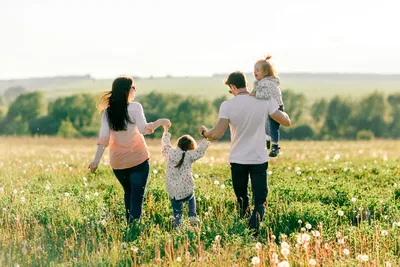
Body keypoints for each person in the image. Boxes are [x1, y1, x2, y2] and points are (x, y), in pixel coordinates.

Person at [199, 71, 291, 234]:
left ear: (233, 87)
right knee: (260, 200)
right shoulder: (264, 102)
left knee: (242, 200)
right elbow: (285, 121)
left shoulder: (227, 106)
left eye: (230, 90)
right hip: (258, 159)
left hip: (238, 160)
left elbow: (217, 134)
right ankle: (254, 230)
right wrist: (281, 110)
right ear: (246, 84)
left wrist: (205, 133)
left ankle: (246, 231)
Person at [88, 75, 171, 224]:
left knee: (129, 193)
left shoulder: (107, 112)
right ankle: (134, 228)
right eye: (133, 87)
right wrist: (159, 122)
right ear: (126, 90)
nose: (135, 90)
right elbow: (144, 130)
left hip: (118, 163)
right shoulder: (135, 107)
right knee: (137, 198)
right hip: (138, 159)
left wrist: (96, 161)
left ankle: (130, 224)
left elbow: (104, 139)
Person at [161, 125, 209, 228]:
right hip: (186, 190)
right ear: (190, 148)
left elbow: (165, 144)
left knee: (177, 214)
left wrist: (166, 131)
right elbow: (200, 151)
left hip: (173, 191)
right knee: (191, 196)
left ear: (178, 144)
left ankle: (177, 226)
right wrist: (205, 137)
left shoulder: (170, 153)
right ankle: (192, 216)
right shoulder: (189, 156)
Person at [251, 55, 284, 157]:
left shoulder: (267, 83)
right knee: (265, 124)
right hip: (268, 107)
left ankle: (275, 145)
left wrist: (255, 95)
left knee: (273, 126)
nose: (255, 72)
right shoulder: (261, 82)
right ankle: (267, 140)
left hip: (276, 107)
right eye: (254, 70)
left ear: (265, 73)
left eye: (257, 70)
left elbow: (266, 95)